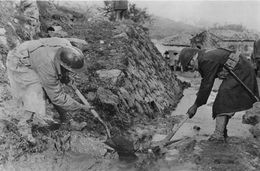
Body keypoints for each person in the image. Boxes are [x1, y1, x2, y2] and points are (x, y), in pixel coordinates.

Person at [6, 37, 92, 143]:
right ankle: (24, 127)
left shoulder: (66, 46)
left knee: (51, 88)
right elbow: (56, 96)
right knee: (37, 91)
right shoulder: (47, 67)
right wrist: (81, 107)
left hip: (35, 54)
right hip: (19, 61)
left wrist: (65, 77)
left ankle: (66, 120)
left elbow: (59, 65)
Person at [179, 47, 259, 142]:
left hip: (241, 70)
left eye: (190, 67)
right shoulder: (203, 56)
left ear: (192, 60)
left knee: (223, 99)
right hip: (238, 68)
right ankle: (223, 132)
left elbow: (207, 85)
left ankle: (218, 134)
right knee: (224, 99)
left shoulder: (205, 59)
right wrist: (197, 102)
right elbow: (205, 82)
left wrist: (195, 105)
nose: (193, 70)